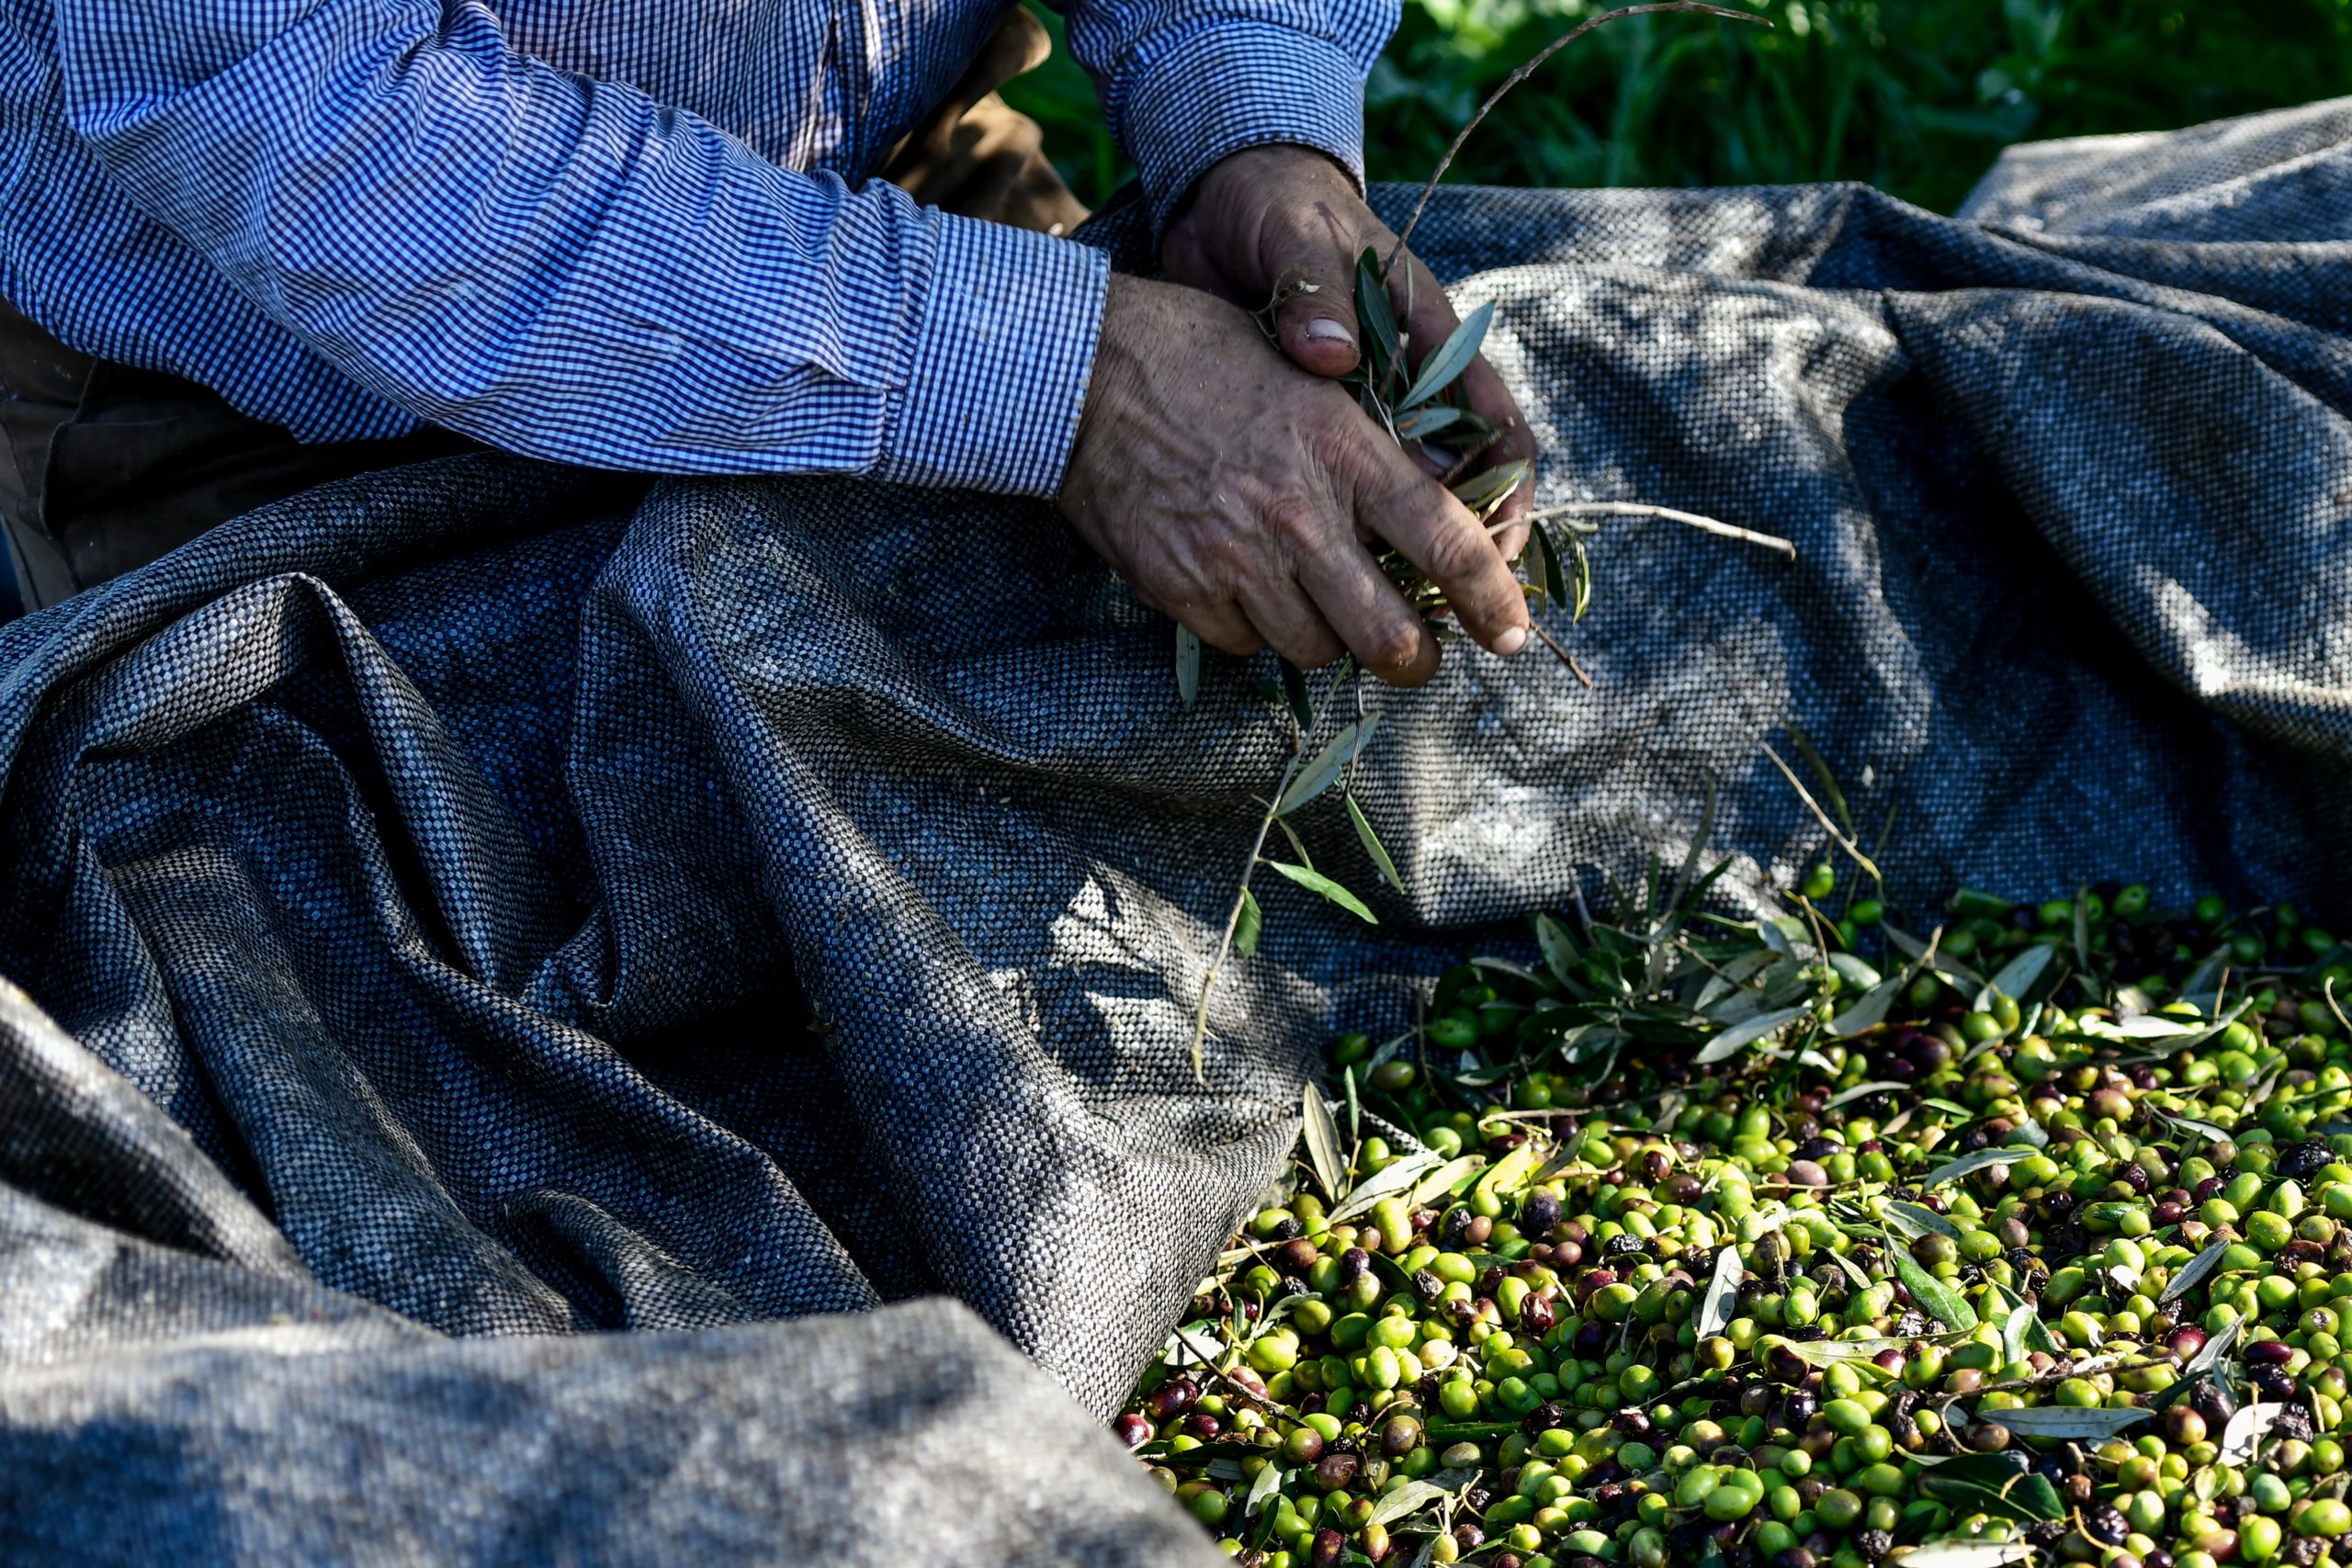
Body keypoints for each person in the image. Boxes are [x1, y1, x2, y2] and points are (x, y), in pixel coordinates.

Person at [0, 0, 1534, 683]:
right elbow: (300, 107)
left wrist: (1244, 124)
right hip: (275, 396)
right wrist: (1069, 381)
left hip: (892, 177)